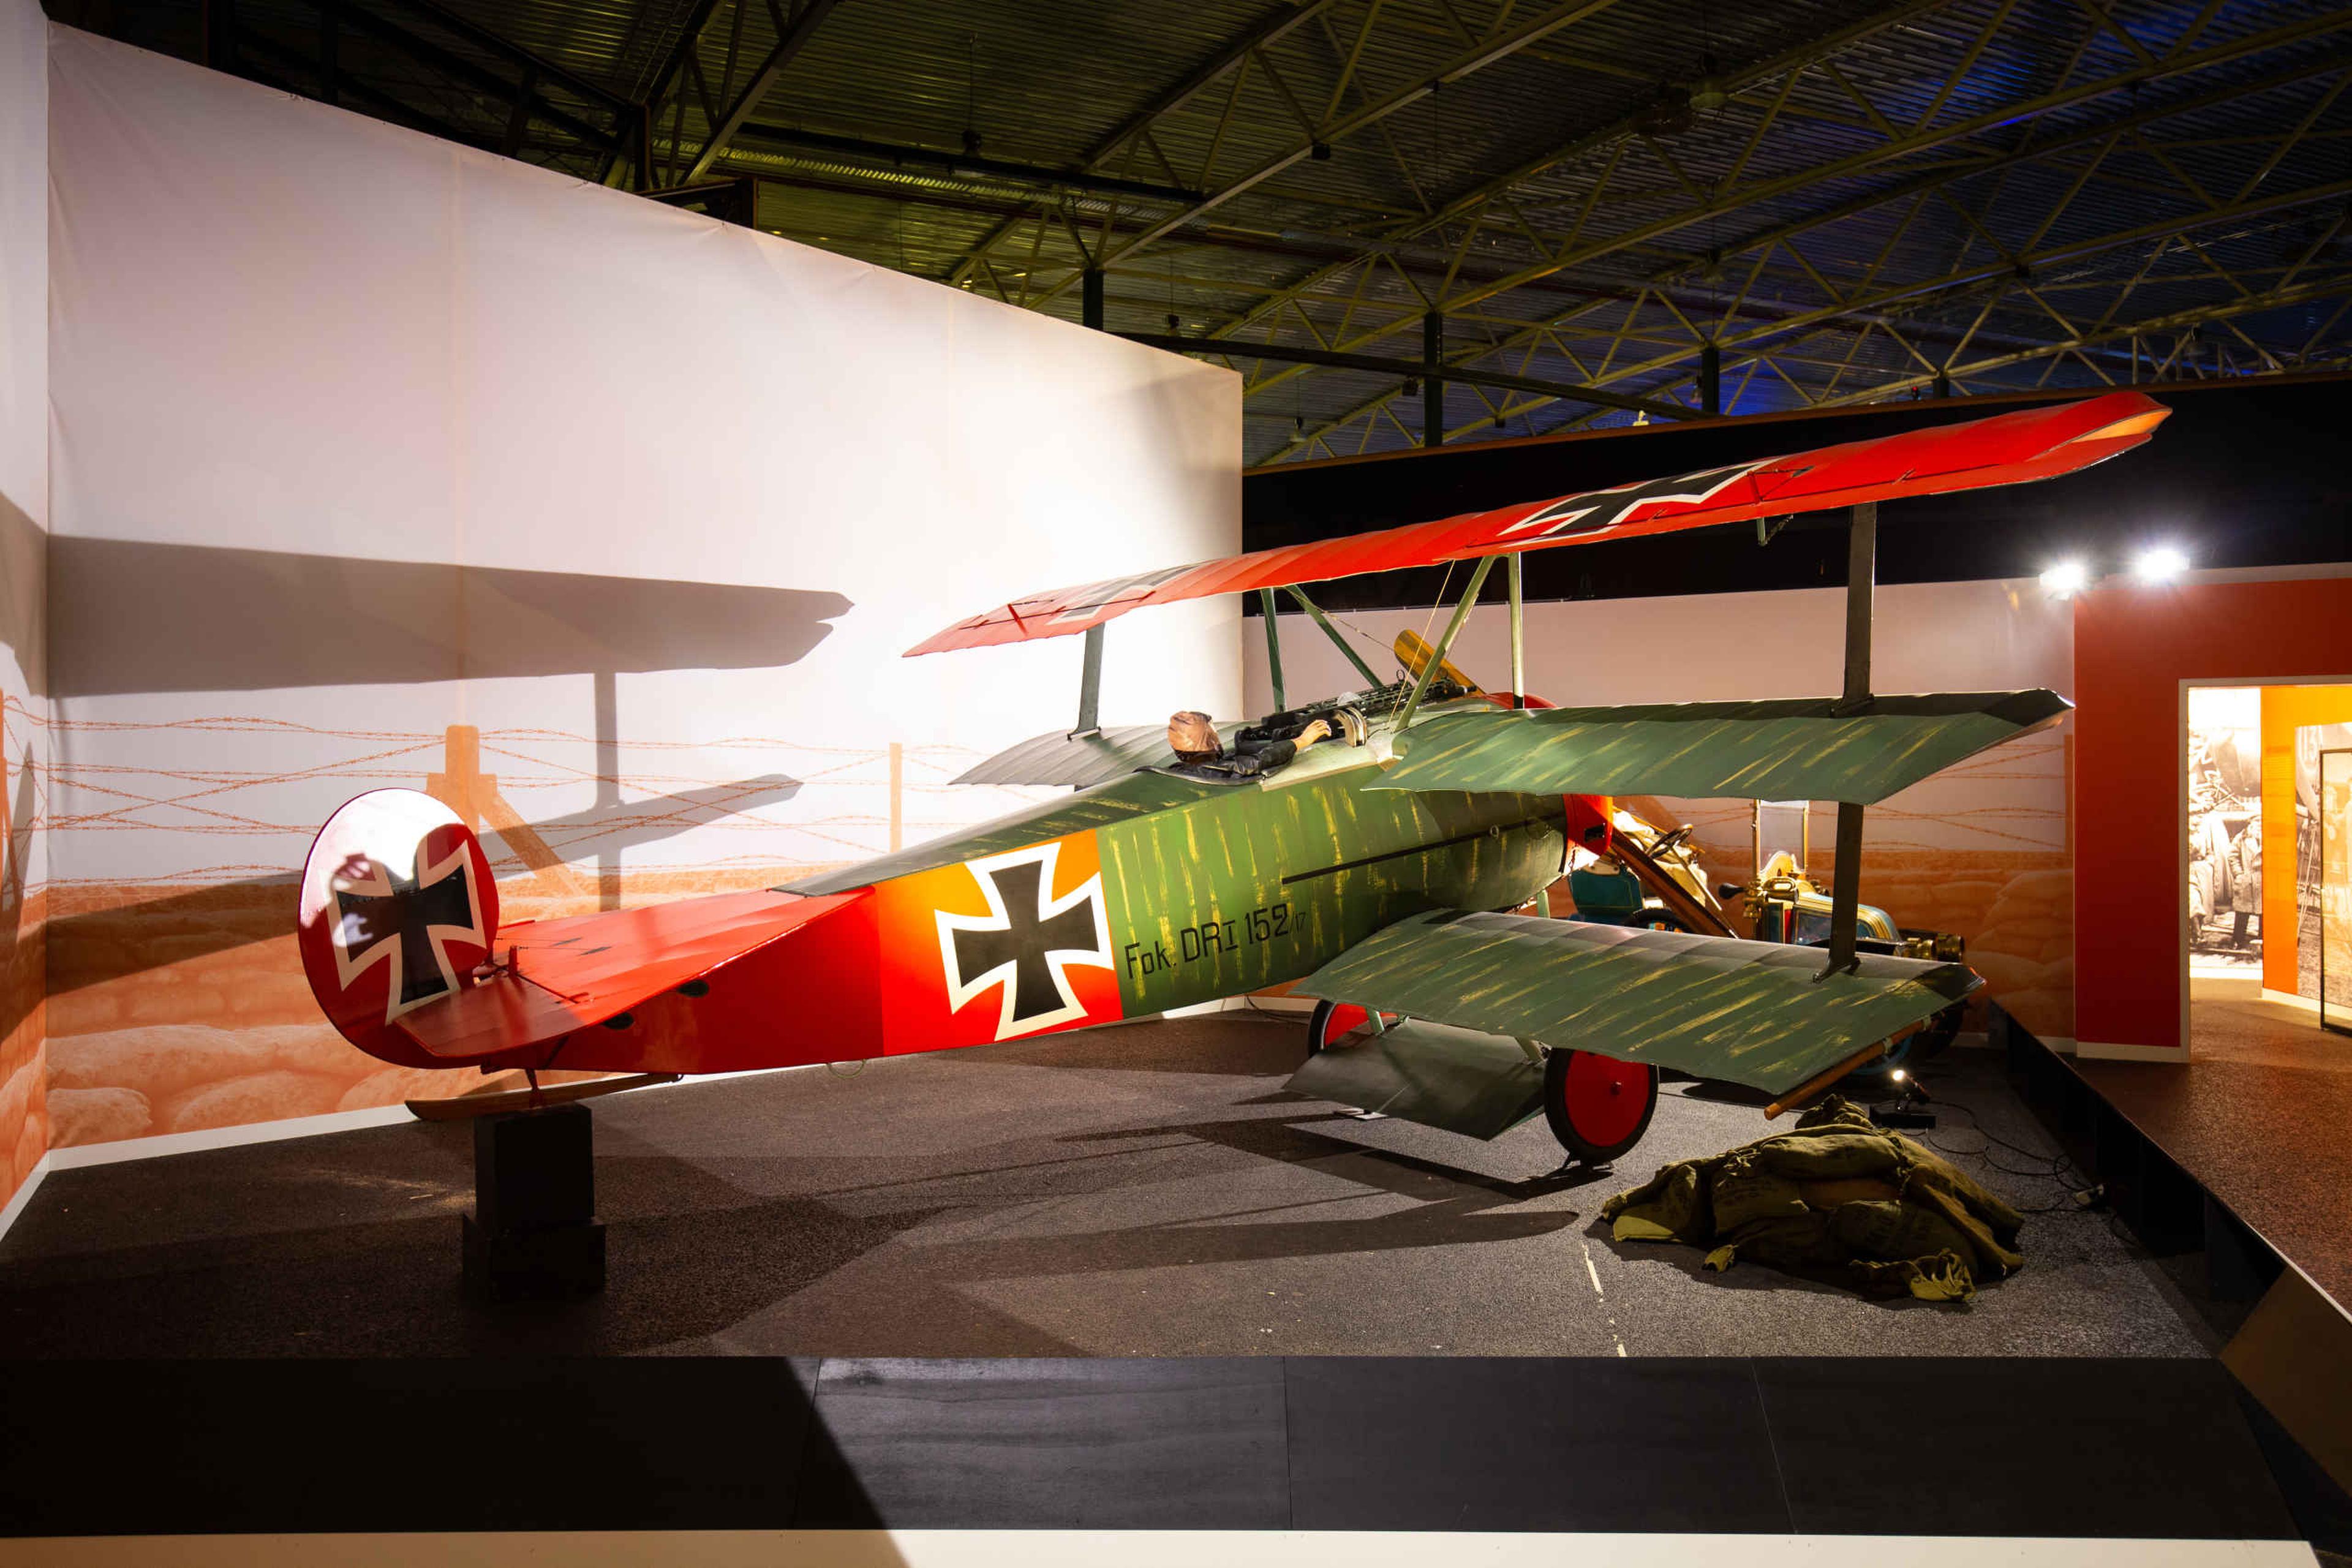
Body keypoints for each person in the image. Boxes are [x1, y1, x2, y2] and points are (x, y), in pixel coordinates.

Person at [1167, 708, 1341, 779]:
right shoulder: (1207, 772)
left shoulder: (1179, 771)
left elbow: (1230, 759)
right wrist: (1301, 741)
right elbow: (1254, 763)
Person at [2231, 815, 2263, 951]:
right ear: (2250, 823)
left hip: (2263, 880)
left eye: (2262, 821)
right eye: (2257, 821)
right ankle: (2237, 940)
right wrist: (2239, 874)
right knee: (2242, 913)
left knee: (2265, 914)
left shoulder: (2270, 836)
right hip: (2246, 879)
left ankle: (2263, 941)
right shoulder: (2241, 838)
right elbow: (2232, 856)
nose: (2260, 824)